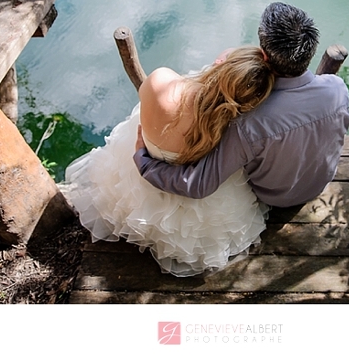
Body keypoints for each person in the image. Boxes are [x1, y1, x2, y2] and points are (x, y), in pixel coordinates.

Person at [65, 46, 275, 276]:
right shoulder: (231, 129)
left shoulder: (161, 80)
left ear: (222, 64)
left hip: (142, 165)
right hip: (189, 189)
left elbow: (151, 98)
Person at [134, 2, 349, 208]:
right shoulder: (338, 89)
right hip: (318, 184)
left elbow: (199, 184)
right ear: (310, 51)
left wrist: (145, 163)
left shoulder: (249, 121)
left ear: (264, 55)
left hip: (274, 198)